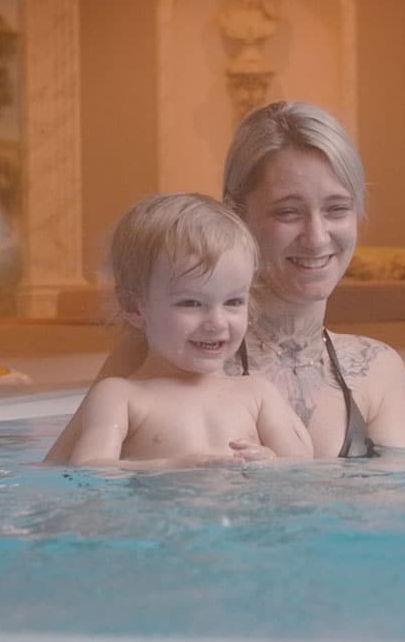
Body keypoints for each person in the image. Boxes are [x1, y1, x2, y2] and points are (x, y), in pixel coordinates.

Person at [87, 101, 405, 458]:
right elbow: (70, 492)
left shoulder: (376, 367)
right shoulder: (171, 348)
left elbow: (396, 505)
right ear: (236, 214)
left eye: (337, 209)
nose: (317, 237)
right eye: (288, 212)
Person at [42, 193, 313, 468]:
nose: (217, 322)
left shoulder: (257, 394)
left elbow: (302, 465)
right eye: (191, 303)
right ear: (135, 307)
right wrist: (171, 467)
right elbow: (91, 467)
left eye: (233, 302)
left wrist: (270, 461)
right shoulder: (121, 396)